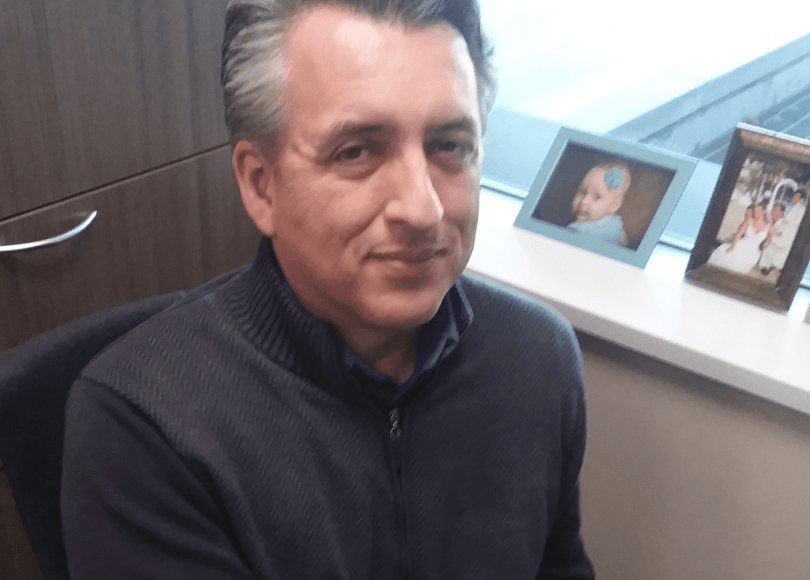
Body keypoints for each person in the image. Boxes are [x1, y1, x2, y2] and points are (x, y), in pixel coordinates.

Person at [60, 1, 594, 579]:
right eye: (356, 151)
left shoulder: (537, 358)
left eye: (449, 145)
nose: (423, 209)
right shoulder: (142, 425)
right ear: (261, 186)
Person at [567, 161, 631, 246]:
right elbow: (623, 240)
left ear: (614, 205)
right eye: (582, 192)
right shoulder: (615, 223)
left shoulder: (575, 231)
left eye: (597, 197)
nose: (584, 201)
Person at [708, 202, 769, 274]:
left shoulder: (768, 226)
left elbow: (767, 243)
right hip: (742, 245)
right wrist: (732, 246)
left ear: (763, 212)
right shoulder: (749, 221)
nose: (756, 212)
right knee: (727, 257)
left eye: (758, 211)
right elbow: (738, 234)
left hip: (753, 251)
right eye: (755, 211)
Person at [759, 203, 791, 275]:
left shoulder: (784, 224)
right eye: (773, 210)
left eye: (775, 210)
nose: (772, 212)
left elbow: (780, 240)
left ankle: (767, 267)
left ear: (781, 213)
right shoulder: (768, 221)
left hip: (774, 249)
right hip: (764, 245)